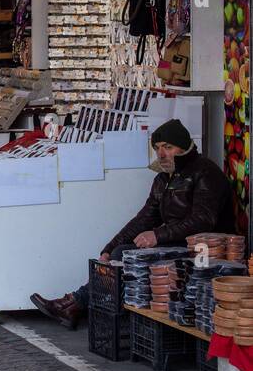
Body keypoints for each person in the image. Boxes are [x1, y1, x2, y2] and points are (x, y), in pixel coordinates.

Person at [30, 119, 236, 329]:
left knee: (124, 255)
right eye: (157, 148)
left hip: (206, 250)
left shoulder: (206, 173)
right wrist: (109, 248)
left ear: (183, 147)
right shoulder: (163, 179)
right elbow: (144, 218)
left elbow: (203, 220)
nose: (162, 154)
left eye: (168, 147)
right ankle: (74, 304)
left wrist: (158, 235)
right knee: (118, 252)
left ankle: (74, 304)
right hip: (177, 242)